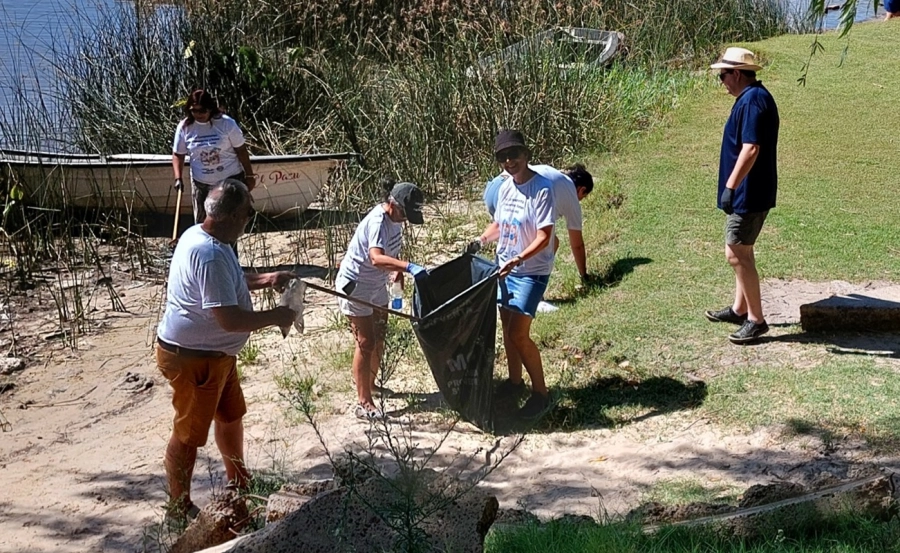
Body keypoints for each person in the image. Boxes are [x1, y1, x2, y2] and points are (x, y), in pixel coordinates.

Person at [156, 179, 296, 519]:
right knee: (188, 434)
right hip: (193, 358)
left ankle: (239, 480)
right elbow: (230, 320)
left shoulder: (208, 238)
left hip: (216, 356)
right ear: (233, 216)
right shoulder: (208, 254)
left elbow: (228, 281)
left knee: (231, 416)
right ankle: (178, 507)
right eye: (249, 212)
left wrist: (267, 279)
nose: (250, 218)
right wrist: (277, 316)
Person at [474, 130, 555, 419]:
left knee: (519, 334)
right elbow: (499, 224)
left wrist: (519, 258)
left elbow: (545, 236)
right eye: (503, 157)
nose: (509, 161)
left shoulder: (542, 189)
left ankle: (541, 394)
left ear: (526, 154)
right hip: (503, 267)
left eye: (514, 154)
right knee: (507, 329)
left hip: (531, 271)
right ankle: (514, 382)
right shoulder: (505, 187)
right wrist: (481, 240)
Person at [335, 180, 427, 420]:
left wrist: (396, 272)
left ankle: (371, 383)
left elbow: (389, 254)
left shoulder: (396, 221)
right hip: (356, 285)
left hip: (377, 284)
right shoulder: (378, 221)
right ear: (393, 205)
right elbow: (376, 258)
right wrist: (408, 266)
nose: (405, 220)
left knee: (380, 334)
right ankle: (363, 402)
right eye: (405, 214)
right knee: (365, 341)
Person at [704, 47, 779, 345]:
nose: (722, 82)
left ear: (736, 73)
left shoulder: (752, 101)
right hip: (749, 191)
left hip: (749, 193)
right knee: (743, 251)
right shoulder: (752, 98)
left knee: (735, 252)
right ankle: (740, 309)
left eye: (722, 76)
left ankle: (756, 320)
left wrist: (731, 187)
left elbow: (751, 149)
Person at [482, 162, 593, 310]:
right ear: (582, 189)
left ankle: (501, 292)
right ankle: (533, 297)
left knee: (515, 241)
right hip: (512, 188)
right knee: (539, 243)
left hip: (494, 187)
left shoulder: (554, 175)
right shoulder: (570, 192)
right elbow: (577, 244)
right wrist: (584, 275)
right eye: (583, 197)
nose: (580, 200)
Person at [172, 89, 256, 224]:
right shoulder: (185, 127)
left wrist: (250, 175)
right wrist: (178, 178)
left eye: (202, 110)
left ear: (210, 108)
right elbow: (178, 154)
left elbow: (241, 150)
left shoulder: (226, 123)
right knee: (203, 223)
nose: (198, 114)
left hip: (229, 181)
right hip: (202, 183)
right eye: (194, 110)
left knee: (231, 222)